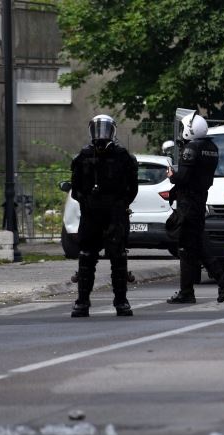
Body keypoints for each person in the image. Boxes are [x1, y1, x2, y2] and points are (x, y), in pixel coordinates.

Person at [70, 114, 139, 317]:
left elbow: (131, 189)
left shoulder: (123, 156)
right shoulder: (83, 156)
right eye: (98, 129)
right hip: (92, 214)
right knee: (86, 256)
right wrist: (88, 202)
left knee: (118, 257)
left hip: (114, 214)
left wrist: (119, 206)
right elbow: (76, 189)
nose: (101, 134)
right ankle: (82, 302)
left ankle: (121, 301)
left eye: (104, 129)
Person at [166, 112, 224, 304]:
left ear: (190, 130)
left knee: (190, 246)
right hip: (199, 201)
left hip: (188, 204)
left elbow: (184, 178)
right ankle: (187, 291)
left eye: (183, 129)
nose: (181, 133)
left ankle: (222, 280)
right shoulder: (211, 147)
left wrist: (172, 175)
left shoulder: (191, 148)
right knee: (190, 247)